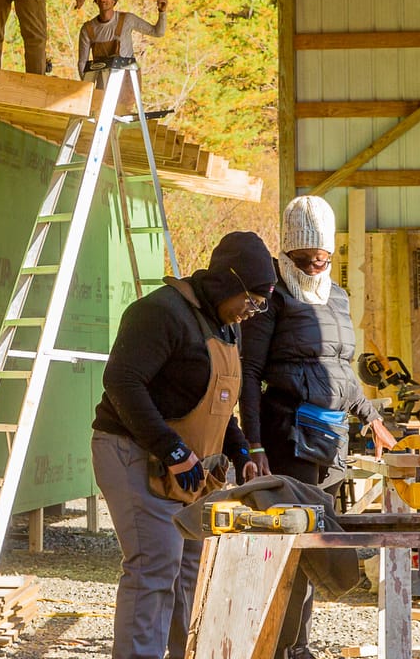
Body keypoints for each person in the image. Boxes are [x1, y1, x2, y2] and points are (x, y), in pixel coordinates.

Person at [92, 231, 273, 659]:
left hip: (188, 467)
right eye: (251, 298)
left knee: (188, 569)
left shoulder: (228, 327)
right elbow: (121, 382)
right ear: (228, 281)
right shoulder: (159, 313)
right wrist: (172, 450)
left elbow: (217, 405)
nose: (253, 310)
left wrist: (242, 452)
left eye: (260, 303)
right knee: (156, 566)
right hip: (133, 452)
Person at [239, 195, 397, 659]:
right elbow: (248, 372)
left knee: (317, 542)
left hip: (331, 438)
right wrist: (252, 443)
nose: (313, 267)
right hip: (285, 435)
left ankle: (297, 645)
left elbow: (341, 372)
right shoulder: (272, 298)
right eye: (303, 259)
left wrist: (371, 417)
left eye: (321, 258)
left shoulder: (340, 296)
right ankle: (281, 646)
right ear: (286, 253)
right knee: (291, 543)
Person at [77, 0, 168, 80]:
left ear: (114, 0)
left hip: (128, 80)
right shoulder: (88, 29)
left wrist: (162, 12)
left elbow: (158, 32)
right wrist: (87, 85)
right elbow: (82, 62)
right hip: (102, 82)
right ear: (96, 0)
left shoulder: (127, 19)